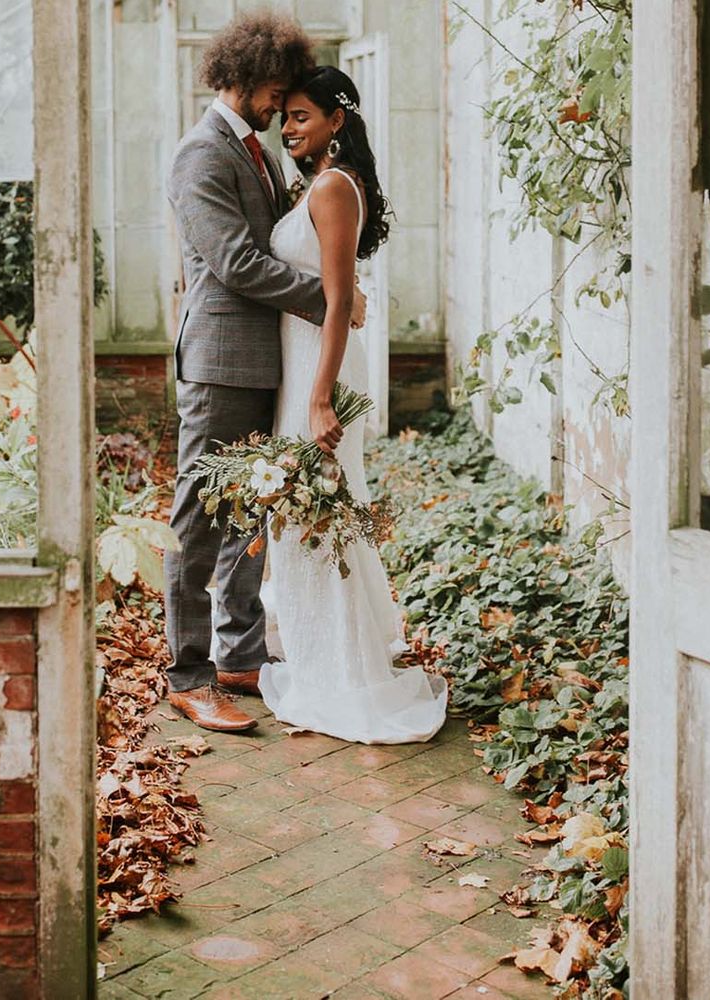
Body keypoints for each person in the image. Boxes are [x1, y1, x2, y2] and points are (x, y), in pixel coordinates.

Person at [164, 13, 366, 732]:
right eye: (276, 91)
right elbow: (236, 263)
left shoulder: (252, 149)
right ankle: (188, 675)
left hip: (266, 359)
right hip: (220, 363)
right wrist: (331, 300)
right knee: (198, 516)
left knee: (251, 510)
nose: (283, 105)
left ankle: (240, 654)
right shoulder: (202, 154)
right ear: (242, 79)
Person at [258, 65, 448, 743]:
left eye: (303, 116)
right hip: (304, 363)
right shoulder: (320, 184)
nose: (289, 127)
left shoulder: (335, 187)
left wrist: (318, 398)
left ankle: (342, 675)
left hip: (322, 369)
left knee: (319, 517)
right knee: (315, 516)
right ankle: (326, 663)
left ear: (337, 121)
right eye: (286, 118)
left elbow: (339, 302)